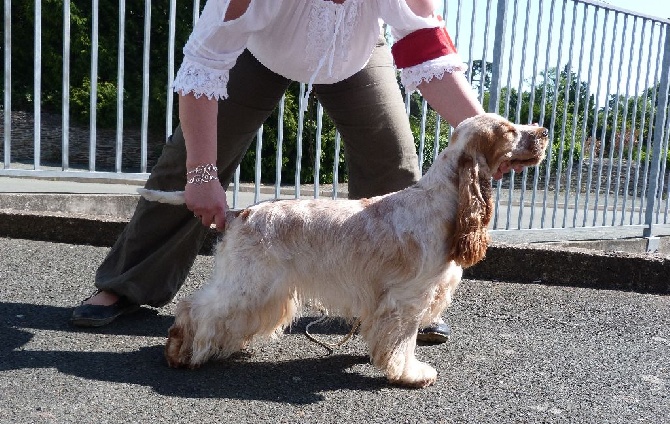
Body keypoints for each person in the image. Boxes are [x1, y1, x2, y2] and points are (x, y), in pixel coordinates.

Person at [71, 0, 517, 342]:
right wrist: (202, 174)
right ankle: (124, 285)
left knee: (394, 164)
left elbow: (428, 52)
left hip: (355, 56)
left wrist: (492, 138)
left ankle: (400, 309)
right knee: (186, 167)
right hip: (257, 52)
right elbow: (203, 66)